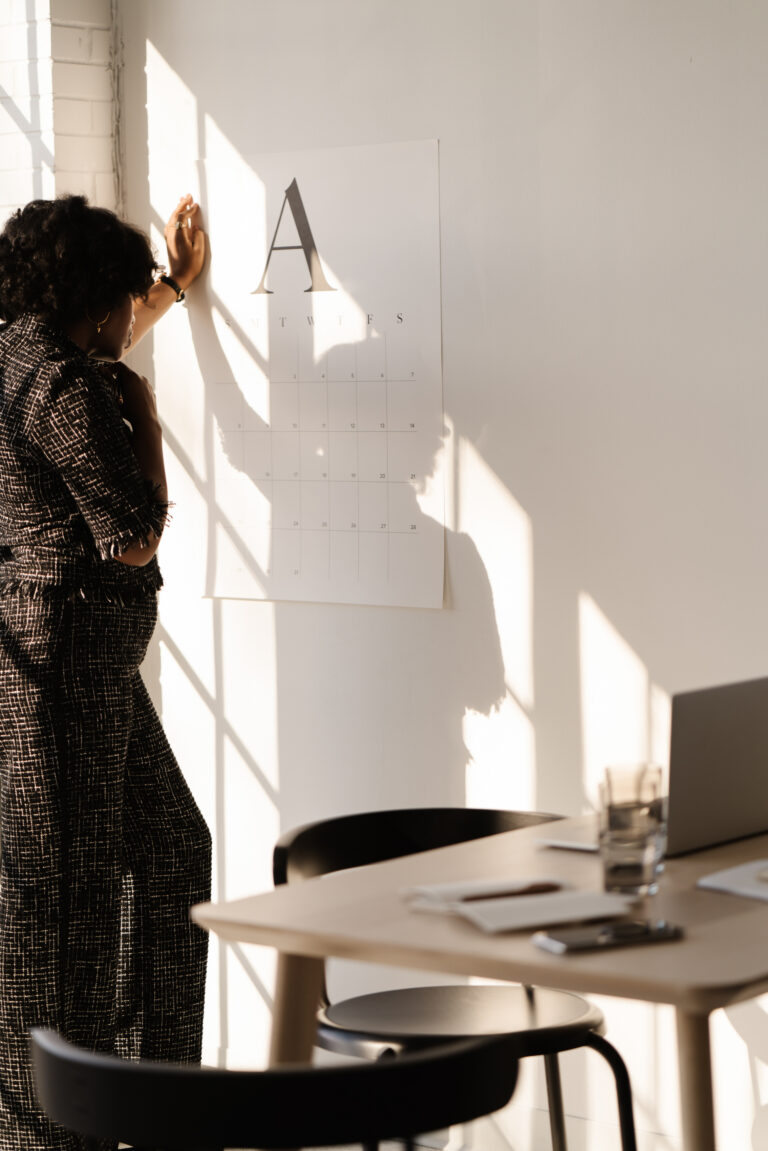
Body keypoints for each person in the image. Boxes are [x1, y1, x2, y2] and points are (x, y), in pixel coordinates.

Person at [0, 192, 211, 1149]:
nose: (136, 314)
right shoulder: (76, 388)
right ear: (92, 299)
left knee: (164, 853)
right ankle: (69, 1125)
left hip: (61, 663)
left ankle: (152, 1100)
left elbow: (77, 371)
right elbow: (131, 535)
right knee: (70, 907)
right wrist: (148, 411)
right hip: (69, 672)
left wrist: (168, 288)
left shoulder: (20, 356)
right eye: (126, 297)